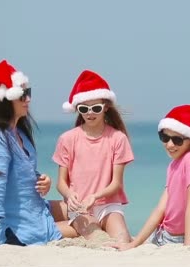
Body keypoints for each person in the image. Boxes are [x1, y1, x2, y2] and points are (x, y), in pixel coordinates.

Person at [113, 105, 190, 250]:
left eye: (177, 140)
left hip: (178, 238)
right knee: (138, 239)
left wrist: (188, 247)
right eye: (164, 137)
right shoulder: (175, 165)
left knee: (139, 239)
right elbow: (161, 209)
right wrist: (134, 244)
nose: (169, 144)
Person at [0, 60, 62, 246]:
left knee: (82, 213)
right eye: (22, 95)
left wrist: (43, 180)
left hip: (37, 209)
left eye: (28, 93)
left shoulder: (21, 133)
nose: (28, 99)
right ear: (6, 100)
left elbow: (23, 174)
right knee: (83, 224)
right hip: (21, 227)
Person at [51, 70, 134, 243]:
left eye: (95, 108)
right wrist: (70, 194)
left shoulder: (118, 138)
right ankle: (74, 226)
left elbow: (116, 184)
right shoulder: (67, 139)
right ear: (77, 109)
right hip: (79, 208)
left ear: (106, 106)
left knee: (123, 240)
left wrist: (95, 197)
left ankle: (73, 228)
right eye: (84, 109)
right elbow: (61, 183)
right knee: (97, 237)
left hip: (108, 206)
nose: (90, 113)